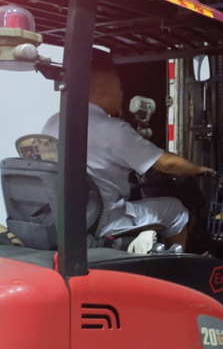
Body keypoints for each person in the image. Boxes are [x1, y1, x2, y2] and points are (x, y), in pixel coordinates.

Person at [42, 58, 212, 251]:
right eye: (119, 87)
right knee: (176, 210)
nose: (122, 93)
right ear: (104, 91)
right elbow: (167, 163)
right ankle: (177, 263)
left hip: (66, 214)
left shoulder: (54, 121)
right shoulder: (113, 129)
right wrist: (197, 169)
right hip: (103, 218)